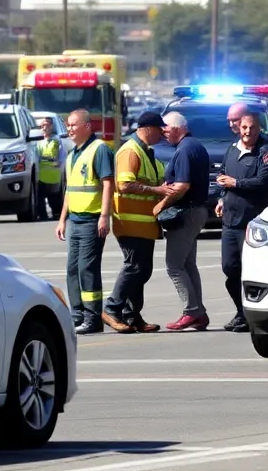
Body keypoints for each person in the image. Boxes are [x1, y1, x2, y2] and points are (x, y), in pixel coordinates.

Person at [102, 112, 169, 334]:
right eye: (160, 129)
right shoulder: (130, 151)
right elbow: (124, 185)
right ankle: (112, 308)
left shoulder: (147, 152)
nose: (162, 134)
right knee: (134, 267)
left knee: (143, 270)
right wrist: (157, 190)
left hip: (144, 223)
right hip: (130, 221)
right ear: (147, 128)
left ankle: (132, 316)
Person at [56, 109, 115, 335]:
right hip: (75, 221)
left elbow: (108, 184)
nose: (69, 129)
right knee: (72, 269)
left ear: (87, 126)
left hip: (92, 220)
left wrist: (104, 216)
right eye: (68, 125)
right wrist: (62, 220)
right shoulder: (73, 155)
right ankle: (77, 314)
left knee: (87, 269)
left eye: (73, 125)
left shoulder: (99, 150)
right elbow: (70, 191)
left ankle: (93, 317)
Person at [215, 113, 268, 332]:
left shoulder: (265, 151)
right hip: (230, 222)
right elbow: (223, 175)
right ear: (238, 128)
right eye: (244, 127)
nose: (248, 131)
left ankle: (253, 315)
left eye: (252, 128)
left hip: (252, 223)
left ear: (259, 129)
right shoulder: (232, 150)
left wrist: (236, 183)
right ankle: (241, 312)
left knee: (251, 272)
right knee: (229, 269)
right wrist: (222, 197)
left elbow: (263, 181)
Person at [155, 111, 211, 331]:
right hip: (195, 212)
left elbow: (181, 186)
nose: (163, 134)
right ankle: (199, 313)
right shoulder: (192, 146)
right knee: (188, 264)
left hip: (186, 213)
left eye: (165, 129)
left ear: (177, 128)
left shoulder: (186, 149)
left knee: (174, 265)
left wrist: (160, 205)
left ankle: (191, 311)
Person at [35, 116, 63, 221]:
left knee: (54, 198)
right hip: (41, 175)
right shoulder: (39, 142)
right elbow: (36, 158)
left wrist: (59, 167)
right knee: (40, 197)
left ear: (51, 126)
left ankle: (56, 214)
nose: (44, 128)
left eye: (46, 125)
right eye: (42, 126)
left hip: (53, 175)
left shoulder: (56, 140)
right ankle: (43, 215)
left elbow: (62, 156)